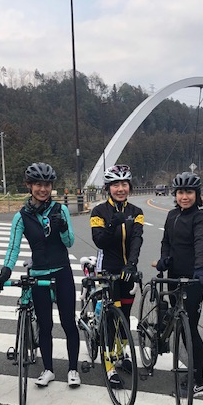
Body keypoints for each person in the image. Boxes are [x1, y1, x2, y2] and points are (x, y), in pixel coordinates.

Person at [0, 162, 80, 388]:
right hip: (39, 273)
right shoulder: (21, 216)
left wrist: (62, 228)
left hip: (62, 271)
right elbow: (13, 248)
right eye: (38, 184)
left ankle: (73, 369)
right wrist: (4, 273)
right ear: (29, 186)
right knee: (45, 324)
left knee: (69, 322)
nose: (43, 189)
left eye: (47, 185)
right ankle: (48, 369)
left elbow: (69, 242)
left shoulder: (60, 210)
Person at [156, 171, 203, 398]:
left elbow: (201, 242)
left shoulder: (200, 217)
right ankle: (188, 368)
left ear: (196, 194)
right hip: (173, 276)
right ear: (175, 194)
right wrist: (164, 259)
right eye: (180, 192)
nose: (184, 197)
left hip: (193, 279)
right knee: (179, 325)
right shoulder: (171, 215)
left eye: (189, 192)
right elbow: (166, 242)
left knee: (190, 328)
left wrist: (199, 268)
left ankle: (198, 381)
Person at [90, 164, 144, 386]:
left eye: (124, 184)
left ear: (129, 186)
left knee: (125, 317)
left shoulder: (136, 212)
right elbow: (99, 240)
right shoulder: (98, 212)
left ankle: (122, 356)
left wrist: (132, 264)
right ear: (108, 188)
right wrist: (113, 223)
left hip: (127, 271)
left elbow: (137, 239)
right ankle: (108, 364)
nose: (120, 189)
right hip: (108, 270)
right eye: (115, 184)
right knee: (111, 319)